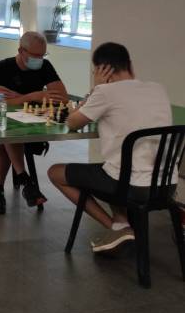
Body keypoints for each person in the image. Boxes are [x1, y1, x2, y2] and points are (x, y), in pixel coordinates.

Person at [47, 42, 172, 253]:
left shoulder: (105, 92)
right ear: (130, 65)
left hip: (132, 186)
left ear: (101, 70)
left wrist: (96, 88)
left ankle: (116, 227)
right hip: (166, 184)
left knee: (55, 172)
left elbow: (72, 122)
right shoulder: (157, 89)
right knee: (111, 165)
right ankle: (121, 222)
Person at [0, 31, 69, 214]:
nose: (39, 59)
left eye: (42, 55)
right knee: (4, 132)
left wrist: (18, 98)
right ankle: (23, 181)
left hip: (30, 123)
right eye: (35, 55)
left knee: (7, 135)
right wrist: (34, 96)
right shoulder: (2, 67)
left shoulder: (45, 66)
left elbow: (62, 98)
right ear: (21, 51)